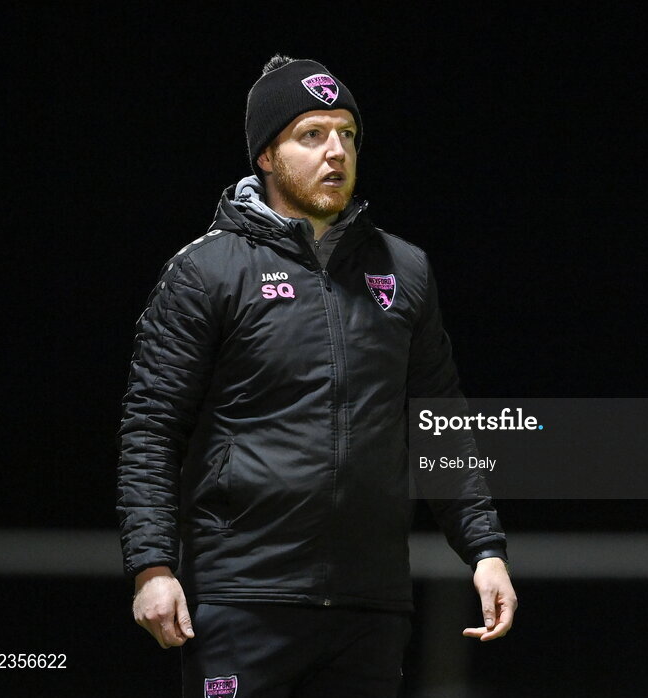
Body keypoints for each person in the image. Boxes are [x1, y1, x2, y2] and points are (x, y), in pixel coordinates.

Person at [116, 54, 516, 697]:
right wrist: (152, 567)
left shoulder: (405, 270)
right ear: (267, 156)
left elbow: (440, 420)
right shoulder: (206, 271)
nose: (336, 152)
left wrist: (485, 549)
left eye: (347, 135)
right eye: (312, 135)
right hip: (242, 597)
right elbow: (151, 430)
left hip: (370, 604)